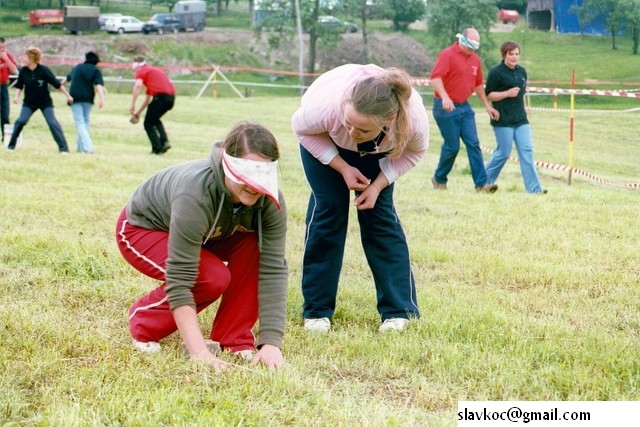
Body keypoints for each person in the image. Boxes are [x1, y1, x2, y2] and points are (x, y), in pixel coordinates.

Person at [115, 121, 287, 371]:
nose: (253, 185)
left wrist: (271, 342)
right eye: (246, 175)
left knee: (255, 244)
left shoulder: (271, 202)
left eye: (261, 176)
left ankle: (234, 338)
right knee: (210, 277)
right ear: (228, 165)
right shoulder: (195, 194)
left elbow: (272, 269)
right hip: (145, 228)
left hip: (212, 233)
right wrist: (199, 352)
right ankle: (144, 321)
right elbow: (181, 278)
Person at [291, 64, 429, 334]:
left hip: (380, 153)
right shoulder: (327, 107)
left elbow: (413, 153)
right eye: (348, 124)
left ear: (388, 119)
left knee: (379, 218)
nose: (352, 132)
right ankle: (316, 312)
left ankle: (398, 311)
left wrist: (377, 186)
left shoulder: (412, 122)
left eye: (361, 130)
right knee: (329, 210)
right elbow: (302, 130)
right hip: (323, 141)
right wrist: (342, 167)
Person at [430, 28, 500, 193]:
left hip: (464, 107)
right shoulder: (447, 55)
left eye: (474, 48)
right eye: (469, 47)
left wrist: (487, 106)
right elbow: (435, 78)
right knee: (452, 146)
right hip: (445, 106)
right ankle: (439, 178)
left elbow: (478, 85)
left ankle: (481, 185)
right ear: (461, 40)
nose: (471, 51)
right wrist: (445, 97)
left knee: (473, 143)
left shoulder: (475, 60)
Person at [484, 41, 547, 194]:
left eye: (517, 54)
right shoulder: (496, 72)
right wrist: (507, 93)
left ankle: (534, 189)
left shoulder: (522, 72)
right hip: (503, 119)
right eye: (511, 54)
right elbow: (489, 95)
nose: (514, 57)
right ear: (504, 54)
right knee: (503, 153)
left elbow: (521, 94)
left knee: (527, 151)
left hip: (520, 119)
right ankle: (483, 182)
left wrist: (525, 109)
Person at [6, 46, 72, 153]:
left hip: (45, 102)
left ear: (32, 59)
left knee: (52, 122)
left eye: (25, 57)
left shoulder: (44, 71)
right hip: (29, 103)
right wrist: (16, 96)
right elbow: (19, 85)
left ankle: (64, 149)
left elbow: (57, 84)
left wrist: (68, 96)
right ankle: (11, 146)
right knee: (20, 121)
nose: (23, 59)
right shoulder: (23, 71)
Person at [129, 55, 175, 155]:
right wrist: (138, 112)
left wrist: (132, 104)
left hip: (160, 97)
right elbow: (147, 99)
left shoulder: (141, 70)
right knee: (154, 119)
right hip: (170, 98)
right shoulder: (152, 72)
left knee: (148, 123)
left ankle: (157, 149)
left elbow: (137, 85)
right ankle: (165, 142)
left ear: (136, 66)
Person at [62, 51, 105, 154]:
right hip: (88, 98)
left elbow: (66, 80)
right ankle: (81, 147)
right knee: (85, 121)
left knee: (80, 122)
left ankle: (87, 147)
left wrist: (60, 86)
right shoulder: (96, 70)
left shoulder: (77, 67)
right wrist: (102, 98)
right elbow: (98, 85)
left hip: (75, 97)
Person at [0, 37, 18, 144]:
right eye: (0, 48)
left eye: (3, 47)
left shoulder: (8, 57)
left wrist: (6, 59)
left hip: (4, 87)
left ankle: (5, 138)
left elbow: (15, 71)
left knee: (5, 114)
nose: (2, 50)